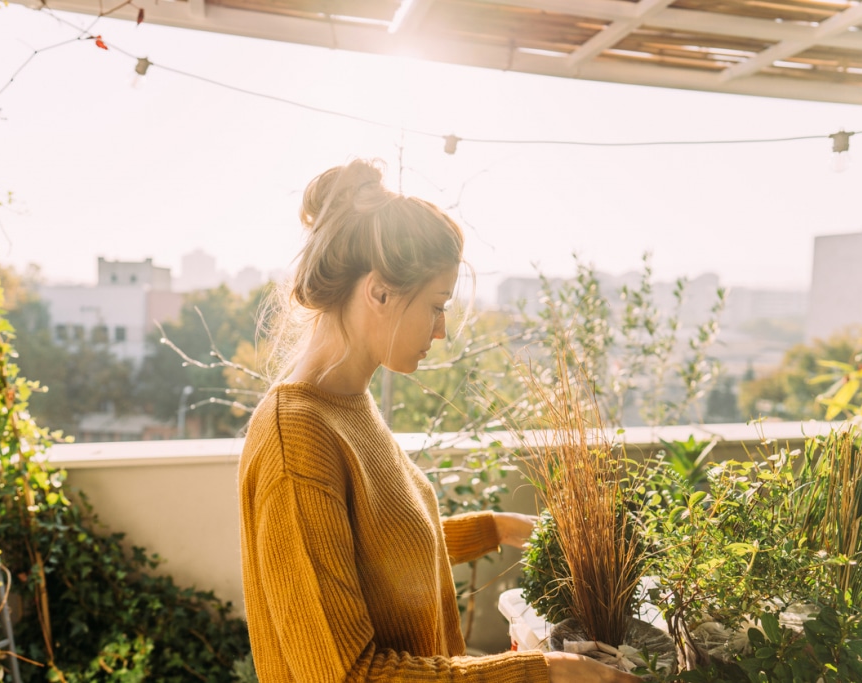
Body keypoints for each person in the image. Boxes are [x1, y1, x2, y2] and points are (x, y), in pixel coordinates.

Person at [238, 158, 640, 683]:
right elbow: (346, 676)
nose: (442, 330)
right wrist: (543, 671)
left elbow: (378, 555)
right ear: (379, 292)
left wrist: (496, 528)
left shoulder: (347, 407)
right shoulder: (299, 439)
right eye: (435, 305)